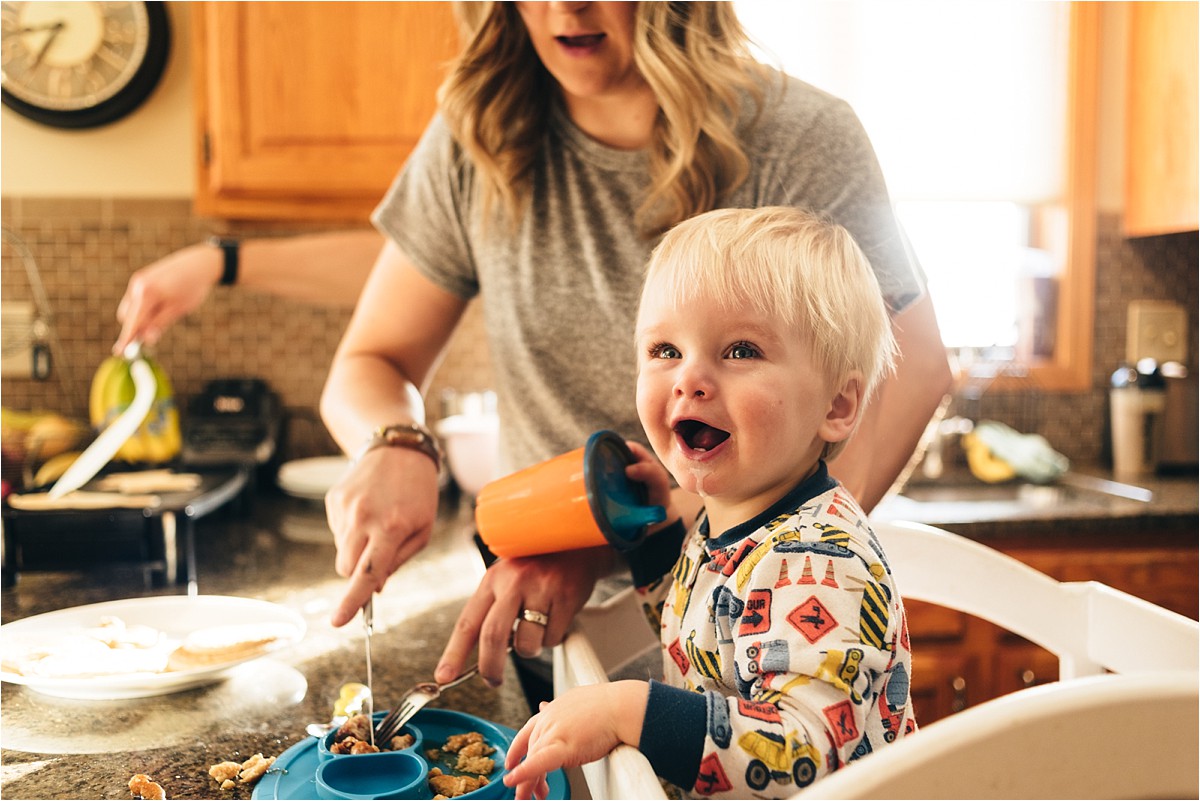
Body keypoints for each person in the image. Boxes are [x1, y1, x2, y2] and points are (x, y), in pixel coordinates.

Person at [113, 2, 951, 702]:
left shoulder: (801, 137)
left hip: (748, 637)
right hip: (541, 622)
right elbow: (371, 362)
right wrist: (395, 441)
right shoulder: (478, 137)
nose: (565, 7)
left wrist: (698, 549)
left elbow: (910, 371)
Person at [500, 205, 916, 800]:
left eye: (741, 351)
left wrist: (628, 710)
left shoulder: (820, 559)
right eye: (665, 349)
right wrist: (656, 544)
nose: (688, 378)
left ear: (836, 406)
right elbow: (704, 636)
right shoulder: (737, 518)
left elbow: (800, 756)